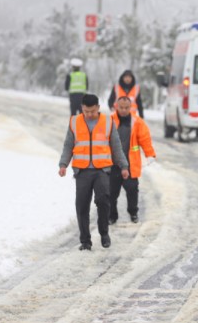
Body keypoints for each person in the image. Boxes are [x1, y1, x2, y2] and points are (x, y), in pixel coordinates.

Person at [58, 94, 129, 251]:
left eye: (91, 111)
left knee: (103, 200)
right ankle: (85, 241)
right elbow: (68, 145)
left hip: (102, 170)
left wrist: (124, 166)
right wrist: (63, 164)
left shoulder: (108, 122)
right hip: (82, 171)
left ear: (98, 107)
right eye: (85, 111)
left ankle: (104, 233)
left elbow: (116, 147)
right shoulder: (75, 121)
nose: (89, 114)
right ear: (82, 108)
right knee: (82, 205)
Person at [109, 96, 156, 224]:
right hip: (113, 164)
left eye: (126, 107)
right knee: (111, 192)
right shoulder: (109, 121)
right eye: (121, 107)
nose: (124, 110)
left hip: (130, 164)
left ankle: (133, 212)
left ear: (130, 107)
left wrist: (149, 154)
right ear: (116, 107)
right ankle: (112, 215)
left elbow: (145, 139)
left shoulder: (137, 122)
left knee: (132, 190)